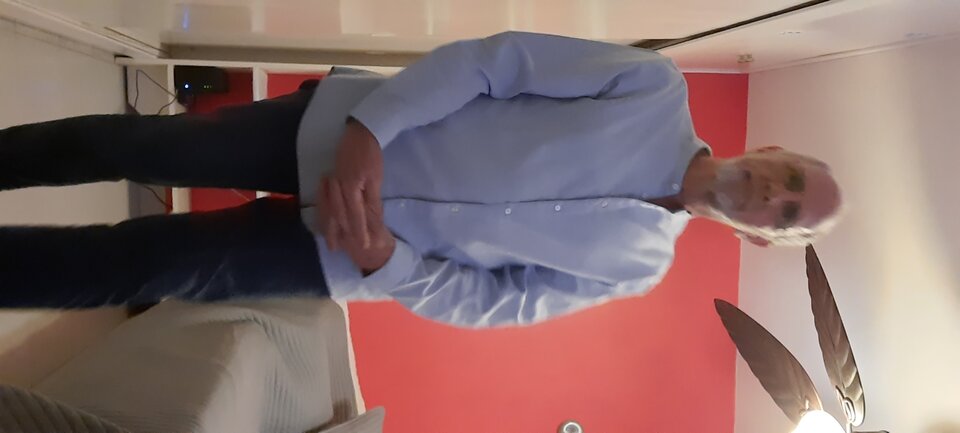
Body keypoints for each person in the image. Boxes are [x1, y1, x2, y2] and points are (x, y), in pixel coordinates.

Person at [0, 31, 842, 327]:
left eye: (788, 213)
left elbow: (498, 303)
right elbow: (495, 62)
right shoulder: (653, 87)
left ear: (763, 237)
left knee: (143, 266)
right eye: (790, 177)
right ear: (771, 148)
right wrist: (372, 129)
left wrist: (386, 264)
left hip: (339, 255)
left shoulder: (639, 267)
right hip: (331, 130)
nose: (775, 194)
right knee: (131, 145)